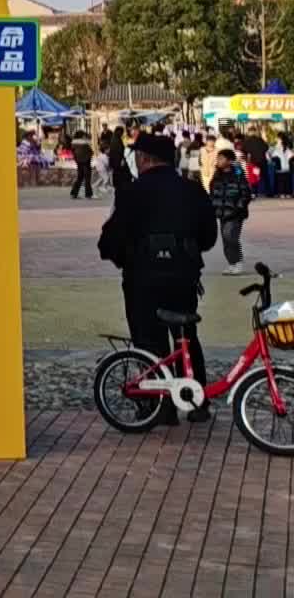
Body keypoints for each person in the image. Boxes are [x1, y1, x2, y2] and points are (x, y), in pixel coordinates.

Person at [98, 133, 216, 423]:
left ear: (144, 159)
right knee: (186, 336)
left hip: (142, 277)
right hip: (183, 276)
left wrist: (124, 258)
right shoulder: (192, 190)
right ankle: (196, 400)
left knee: (148, 339)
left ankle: (159, 405)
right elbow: (209, 237)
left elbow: (110, 240)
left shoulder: (132, 192)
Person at [209, 149, 253, 275]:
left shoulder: (238, 174)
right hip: (222, 212)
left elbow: (246, 193)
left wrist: (238, 207)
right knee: (225, 238)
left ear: (229, 161)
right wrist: (213, 206)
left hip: (235, 213)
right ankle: (231, 263)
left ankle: (238, 262)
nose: (218, 161)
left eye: (221, 159)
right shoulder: (217, 175)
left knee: (231, 237)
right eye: (218, 158)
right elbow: (212, 192)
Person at [69, 128, 95, 199]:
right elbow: (89, 151)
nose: (84, 136)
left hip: (79, 161)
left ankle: (74, 193)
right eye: (83, 135)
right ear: (81, 135)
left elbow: (73, 151)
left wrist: (76, 158)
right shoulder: (84, 142)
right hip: (86, 161)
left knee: (79, 177)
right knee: (87, 178)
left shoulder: (74, 142)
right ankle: (88, 194)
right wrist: (91, 153)